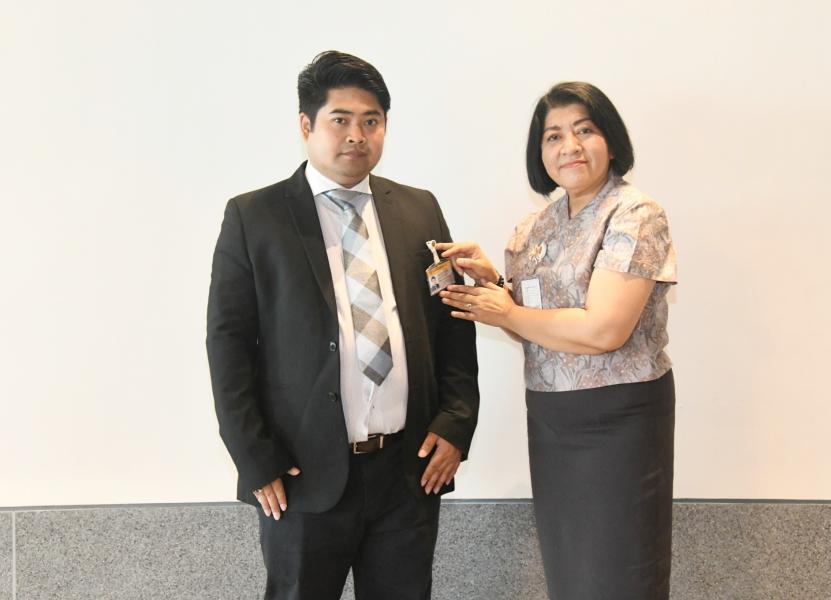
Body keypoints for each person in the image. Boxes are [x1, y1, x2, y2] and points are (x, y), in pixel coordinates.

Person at [206, 50, 479, 600]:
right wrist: (255, 459)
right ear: (306, 125)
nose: (358, 135)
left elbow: (453, 320)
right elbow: (228, 344)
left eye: (371, 121)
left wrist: (456, 423)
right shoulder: (254, 217)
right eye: (341, 119)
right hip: (301, 478)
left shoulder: (419, 209)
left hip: (407, 474)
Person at [437, 82, 677, 599]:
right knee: (570, 573)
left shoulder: (635, 213)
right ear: (539, 152)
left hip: (621, 419)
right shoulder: (533, 228)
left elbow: (604, 330)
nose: (570, 146)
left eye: (584, 130)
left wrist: (509, 310)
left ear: (610, 140)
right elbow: (531, 324)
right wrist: (493, 286)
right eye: (553, 136)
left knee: (623, 571)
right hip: (551, 418)